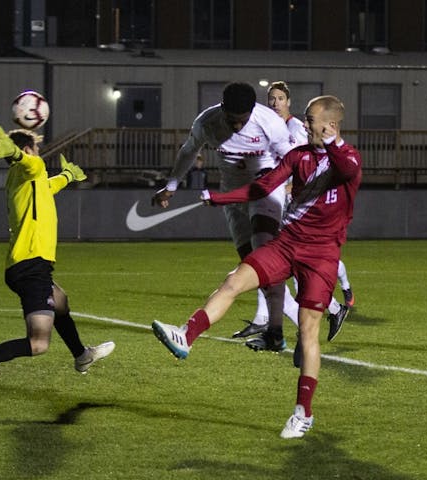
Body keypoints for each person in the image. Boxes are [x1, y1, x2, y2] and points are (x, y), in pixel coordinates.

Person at [152, 95, 361, 439]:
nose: (303, 125)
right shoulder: (298, 156)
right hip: (287, 242)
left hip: (322, 254)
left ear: (331, 125)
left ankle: (302, 413)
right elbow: (263, 186)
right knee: (234, 281)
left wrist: (333, 141)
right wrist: (217, 198)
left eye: (310, 120)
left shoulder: (348, 157)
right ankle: (186, 336)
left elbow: (348, 169)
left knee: (308, 332)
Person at [0, 127, 115, 403]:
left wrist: (68, 175)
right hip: (31, 265)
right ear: (27, 152)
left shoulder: (27, 179)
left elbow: (49, 185)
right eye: (35, 149)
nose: (39, 155)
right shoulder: (28, 169)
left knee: (60, 302)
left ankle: (82, 356)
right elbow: (34, 165)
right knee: (38, 343)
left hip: (28, 264)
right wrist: (16, 153)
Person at [151, 82, 299, 353]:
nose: (237, 127)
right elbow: (189, 150)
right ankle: (276, 334)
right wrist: (172, 185)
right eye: (232, 121)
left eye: (242, 121)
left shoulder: (268, 123)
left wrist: (290, 187)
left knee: (262, 259)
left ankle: (274, 330)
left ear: (252, 111)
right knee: (255, 268)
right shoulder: (208, 122)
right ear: (222, 110)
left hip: (264, 193)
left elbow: (291, 158)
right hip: (232, 198)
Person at [267, 81, 351, 340]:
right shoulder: (270, 126)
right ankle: (332, 309)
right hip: (283, 200)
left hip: (303, 204)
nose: (275, 103)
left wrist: (296, 185)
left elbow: (315, 158)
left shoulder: (297, 127)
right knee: (294, 263)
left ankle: (340, 297)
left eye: (280, 98)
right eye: (271, 98)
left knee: (301, 260)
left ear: (288, 101)